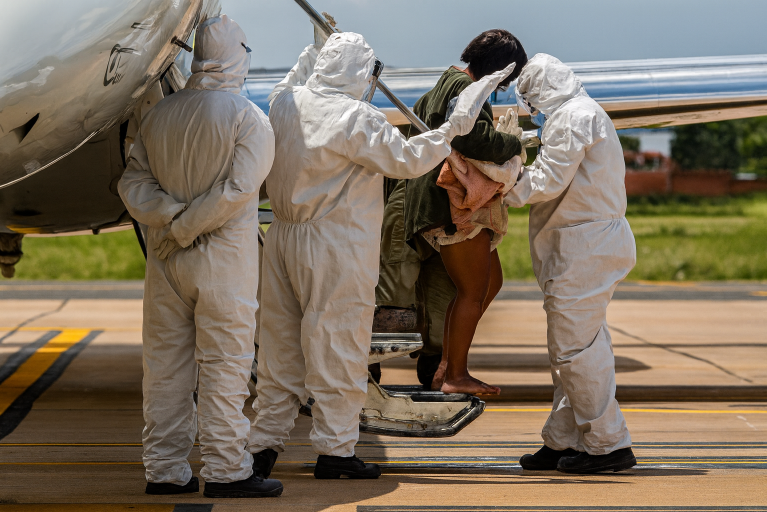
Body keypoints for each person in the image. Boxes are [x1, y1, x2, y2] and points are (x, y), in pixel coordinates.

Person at [247, 32, 517, 480]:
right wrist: (454, 127)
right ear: (360, 72)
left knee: (279, 349)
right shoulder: (355, 117)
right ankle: (335, 452)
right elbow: (409, 162)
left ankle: (261, 449)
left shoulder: (285, 104)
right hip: (334, 245)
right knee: (339, 347)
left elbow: (289, 81)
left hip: (283, 238)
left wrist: (313, 47)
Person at [118, 16, 283, 498]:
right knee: (225, 366)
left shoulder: (159, 114)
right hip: (223, 262)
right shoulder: (248, 117)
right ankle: (227, 469)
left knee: (166, 368)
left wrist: (169, 221)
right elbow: (239, 189)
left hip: (165, 260)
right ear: (239, 54)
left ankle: (165, 470)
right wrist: (189, 226)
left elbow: (132, 183)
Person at [504, 54, 637, 473]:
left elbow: (546, 181)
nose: (531, 111)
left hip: (586, 247)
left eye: (529, 100)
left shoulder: (572, 117)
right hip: (583, 245)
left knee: (575, 352)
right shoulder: (582, 111)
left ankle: (609, 444)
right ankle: (563, 441)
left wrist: (499, 179)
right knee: (573, 350)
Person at [398, 29, 527, 395]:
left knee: (491, 281)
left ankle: (447, 365)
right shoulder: (464, 89)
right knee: (472, 290)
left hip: (435, 202)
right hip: (452, 204)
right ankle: (455, 373)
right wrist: (517, 144)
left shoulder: (445, 84)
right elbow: (472, 138)